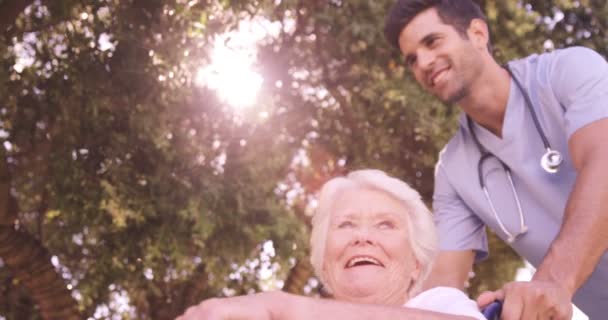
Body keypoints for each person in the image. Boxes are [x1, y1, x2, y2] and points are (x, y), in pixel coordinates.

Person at [384, 0, 608, 319]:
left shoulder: (570, 71)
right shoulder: (453, 170)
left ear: (477, 33)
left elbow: (604, 165)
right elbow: (441, 287)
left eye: (432, 42)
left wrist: (552, 282)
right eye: (412, 59)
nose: (424, 63)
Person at [176, 169, 485, 319]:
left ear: (416, 264)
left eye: (385, 225)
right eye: (346, 224)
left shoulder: (441, 306)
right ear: (323, 262)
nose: (362, 237)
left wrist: (283, 307)